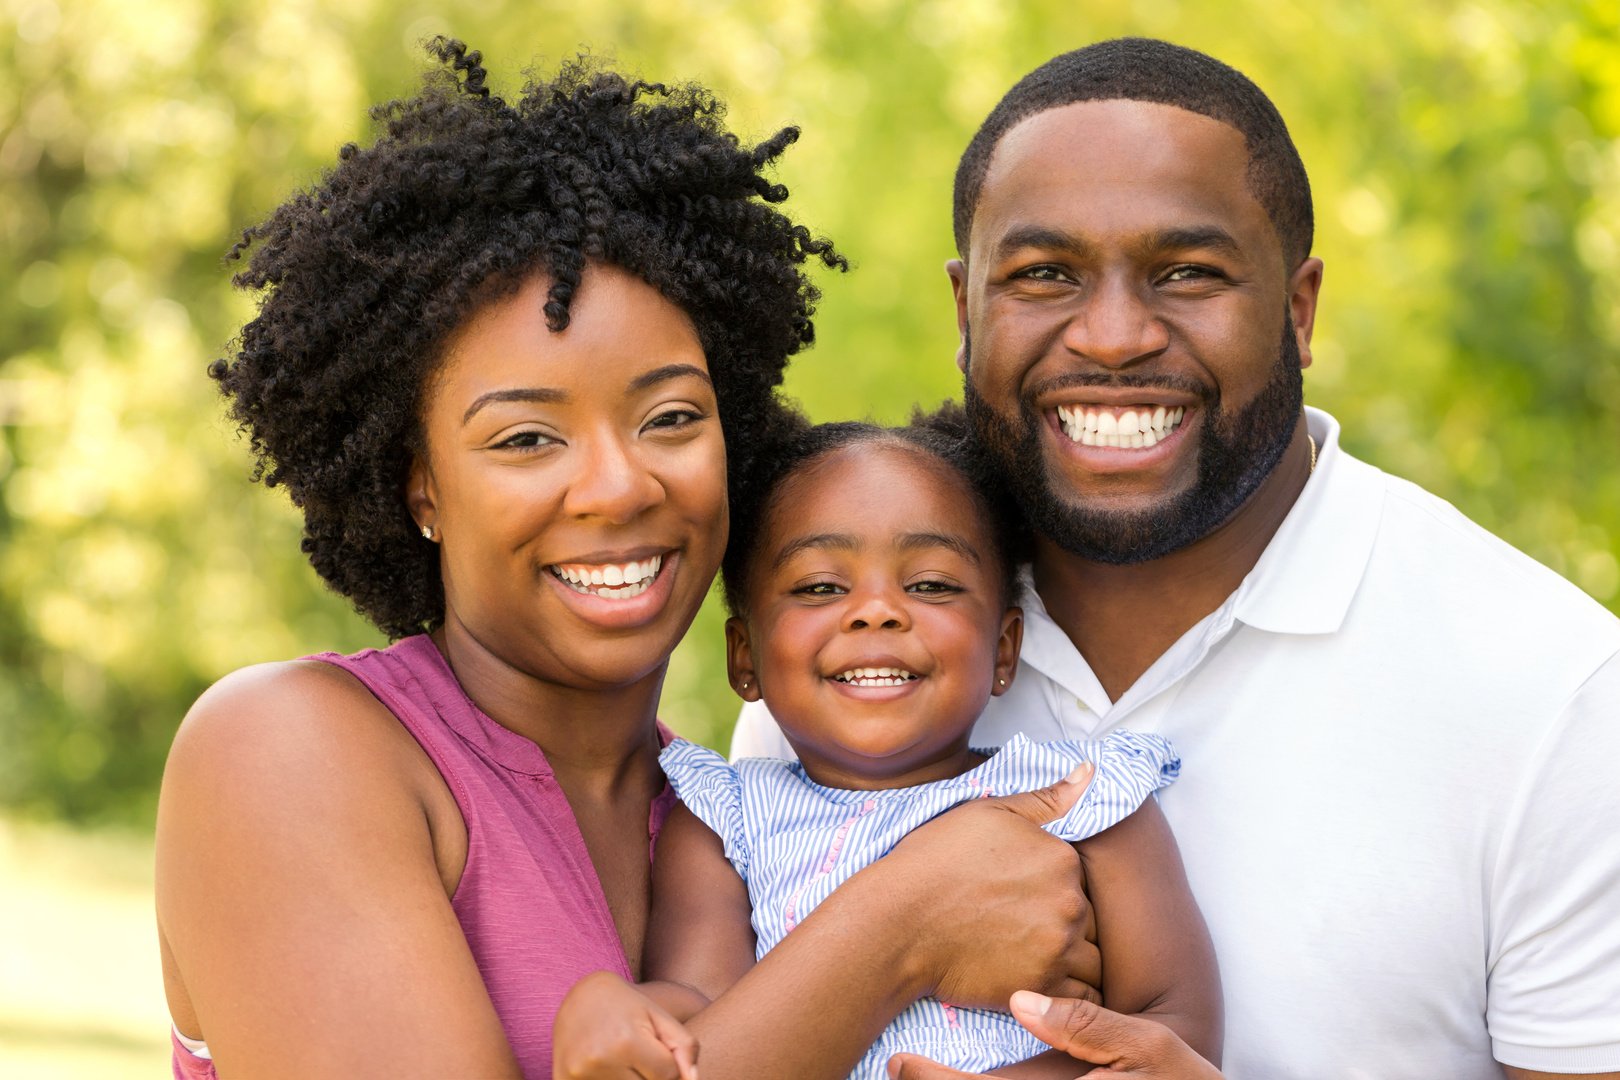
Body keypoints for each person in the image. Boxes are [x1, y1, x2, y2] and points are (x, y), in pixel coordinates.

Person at [155, 39, 1105, 1080]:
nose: (618, 486)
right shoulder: (288, 753)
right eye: (526, 437)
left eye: (670, 417)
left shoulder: (740, 822)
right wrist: (904, 923)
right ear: (420, 484)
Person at [733, 38, 1620, 1080]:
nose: (1112, 336)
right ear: (965, 312)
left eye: (1187, 273)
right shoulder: (856, 655)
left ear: (1298, 310)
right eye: (1045, 274)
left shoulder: (1553, 694)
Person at [552, 418, 1220, 1078]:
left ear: (1004, 649)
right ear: (744, 657)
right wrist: (607, 1007)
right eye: (820, 587)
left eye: (930, 584)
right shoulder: (728, 824)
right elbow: (706, 1019)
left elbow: (1174, 1025)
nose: (876, 611)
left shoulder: (1085, 800)